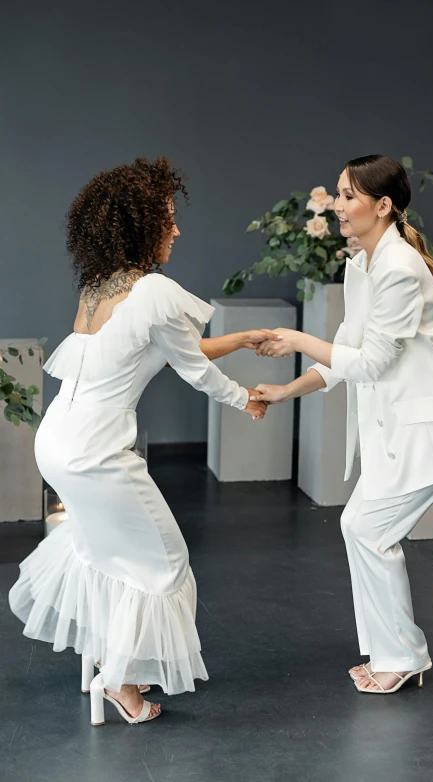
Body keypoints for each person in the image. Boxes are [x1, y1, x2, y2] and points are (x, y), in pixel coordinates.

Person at [9, 156, 278, 724]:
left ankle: (115, 658)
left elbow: (166, 349)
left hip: (57, 443)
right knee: (164, 562)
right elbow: (192, 370)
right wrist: (244, 399)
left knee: (107, 554)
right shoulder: (154, 290)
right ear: (139, 226)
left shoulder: (99, 286)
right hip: (98, 456)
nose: (177, 230)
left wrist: (239, 340)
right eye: (168, 219)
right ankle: (121, 684)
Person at [250, 154, 433, 694]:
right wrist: (288, 390)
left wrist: (298, 339)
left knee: (366, 530)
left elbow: (372, 363)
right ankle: (395, 653)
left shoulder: (401, 269)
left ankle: (400, 656)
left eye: (349, 195)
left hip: (430, 433)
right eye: (337, 192)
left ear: (383, 206)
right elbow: (349, 353)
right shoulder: (361, 265)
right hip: (394, 433)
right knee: (364, 530)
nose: (337, 205)